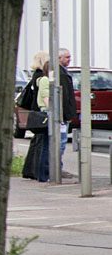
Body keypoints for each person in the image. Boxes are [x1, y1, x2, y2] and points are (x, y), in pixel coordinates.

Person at [23, 51, 50, 182]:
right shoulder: (42, 77)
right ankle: (36, 171)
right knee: (40, 143)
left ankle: (30, 170)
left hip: (34, 111)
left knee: (36, 142)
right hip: (39, 111)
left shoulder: (35, 75)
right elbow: (45, 96)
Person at [58, 48, 77, 179]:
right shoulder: (61, 74)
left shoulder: (63, 72)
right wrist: (66, 114)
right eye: (67, 57)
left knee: (61, 141)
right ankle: (56, 169)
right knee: (61, 142)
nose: (69, 60)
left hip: (63, 114)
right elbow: (64, 96)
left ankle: (56, 167)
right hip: (62, 115)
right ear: (59, 58)